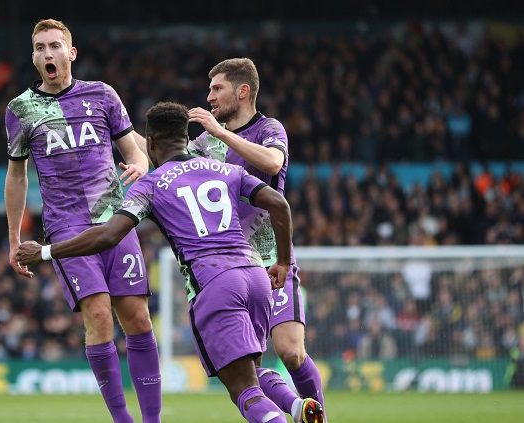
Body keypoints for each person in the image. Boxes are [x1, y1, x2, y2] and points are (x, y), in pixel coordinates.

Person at [17, 102, 319, 423]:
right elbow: (278, 202)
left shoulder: (150, 185)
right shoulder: (226, 170)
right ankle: (296, 405)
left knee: (244, 391)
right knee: (252, 369)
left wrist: (46, 251)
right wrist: (283, 262)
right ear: (186, 138)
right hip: (256, 276)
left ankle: (276, 418)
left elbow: (107, 235)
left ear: (150, 144)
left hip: (215, 283)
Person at [4, 19, 160, 423]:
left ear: (71, 53)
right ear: (34, 58)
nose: (48, 54)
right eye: (40, 48)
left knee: (139, 317)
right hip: (67, 228)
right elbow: (17, 175)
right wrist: (13, 239)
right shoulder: (21, 110)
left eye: (55, 46)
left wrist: (141, 165)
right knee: (98, 314)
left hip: (116, 221)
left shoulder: (102, 95)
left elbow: (134, 149)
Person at [187, 58, 327, 421]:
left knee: (291, 352)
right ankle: (294, 411)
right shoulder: (204, 144)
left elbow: (272, 163)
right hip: (231, 266)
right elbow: (174, 166)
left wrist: (219, 134)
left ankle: (317, 415)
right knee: (250, 364)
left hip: (273, 259)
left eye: (217, 88)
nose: (210, 96)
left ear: (243, 90)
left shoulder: (269, 129)